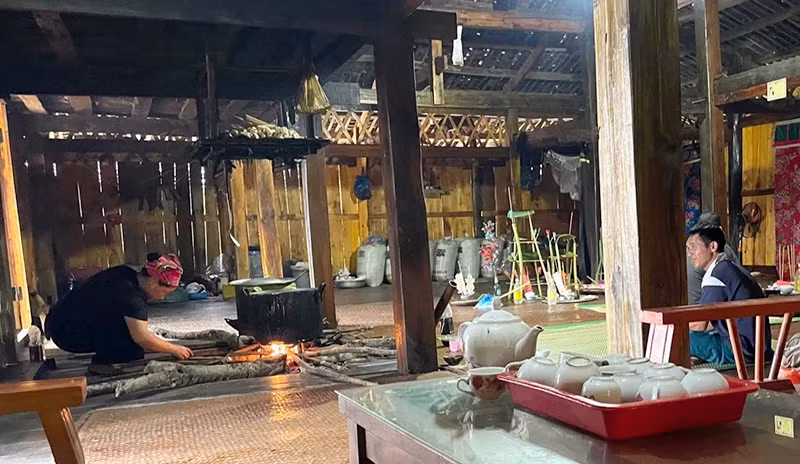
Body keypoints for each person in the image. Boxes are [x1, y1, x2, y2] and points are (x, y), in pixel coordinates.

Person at [46, 254, 193, 366]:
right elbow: (142, 337)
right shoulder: (131, 296)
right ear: (154, 281)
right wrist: (174, 349)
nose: (162, 298)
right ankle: (104, 363)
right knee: (131, 348)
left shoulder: (125, 273)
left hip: (57, 320)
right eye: (165, 293)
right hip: (66, 333)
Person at [686, 225, 773, 365]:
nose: (690, 253)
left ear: (713, 246)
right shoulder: (729, 267)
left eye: (693, 247)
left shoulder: (715, 276)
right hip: (760, 348)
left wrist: (675, 324)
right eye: (688, 248)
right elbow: (710, 322)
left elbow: (701, 324)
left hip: (741, 351)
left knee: (683, 339)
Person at [687, 212, 740, 305]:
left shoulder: (716, 273)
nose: (689, 254)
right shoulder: (724, 252)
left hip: (700, 304)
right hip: (703, 303)